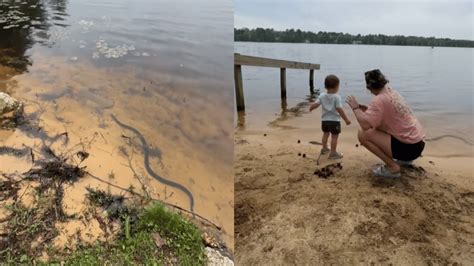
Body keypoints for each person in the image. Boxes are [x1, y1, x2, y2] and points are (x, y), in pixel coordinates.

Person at [346, 69, 425, 178]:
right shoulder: (392, 92)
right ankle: (404, 161)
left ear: (369, 87)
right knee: (376, 128)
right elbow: (389, 114)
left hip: (408, 149)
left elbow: (365, 125)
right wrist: (368, 110)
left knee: (363, 134)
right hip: (418, 144)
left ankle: (393, 167)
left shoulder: (379, 100)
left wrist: (355, 108)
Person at [310, 74, 351, 159]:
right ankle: (333, 153)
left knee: (325, 134)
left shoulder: (322, 95)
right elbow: (339, 109)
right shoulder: (337, 97)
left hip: (324, 121)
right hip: (334, 121)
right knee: (334, 137)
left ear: (325, 86)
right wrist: (346, 119)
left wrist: (311, 107)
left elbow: (316, 104)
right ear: (336, 86)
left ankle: (324, 148)